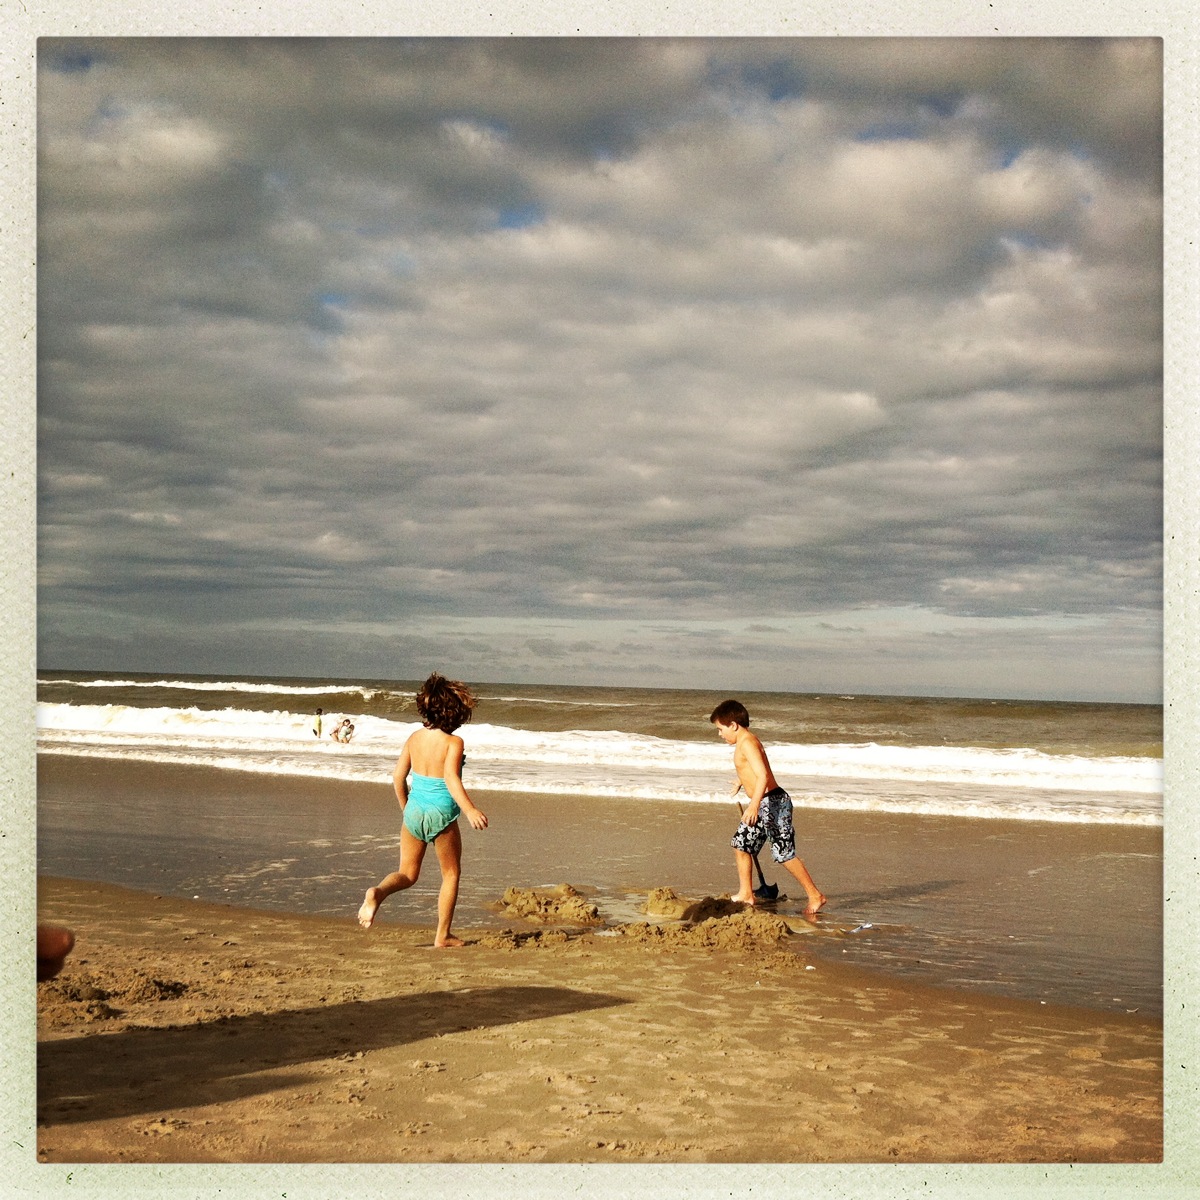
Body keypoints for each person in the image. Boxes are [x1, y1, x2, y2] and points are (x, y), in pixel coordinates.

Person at [358, 673, 488, 947]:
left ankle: (378, 893)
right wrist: (469, 810)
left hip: (414, 811)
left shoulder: (414, 738)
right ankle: (443, 935)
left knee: (407, 874)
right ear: (455, 712)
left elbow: (397, 777)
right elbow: (451, 778)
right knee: (451, 874)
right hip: (441, 814)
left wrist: (407, 809)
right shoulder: (454, 743)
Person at [710, 698, 827, 915]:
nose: (720, 734)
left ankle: (815, 895)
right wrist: (741, 782)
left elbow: (763, 775)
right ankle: (746, 894)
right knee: (741, 844)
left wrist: (753, 806)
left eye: (720, 729)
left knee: (783, 853)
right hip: (764, 802)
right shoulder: (745, 742)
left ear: (733, 725)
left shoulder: (747, 742)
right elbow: (753, 771)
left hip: (773, 803)